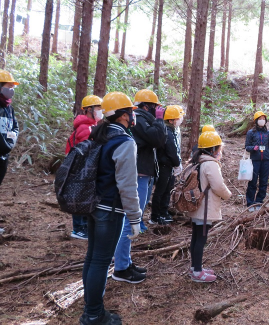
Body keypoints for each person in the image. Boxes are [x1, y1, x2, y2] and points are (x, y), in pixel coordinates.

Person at [80, 91, 142, 325]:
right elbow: (127, 185)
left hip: (95, 205)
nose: (132, 117)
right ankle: (94, 314)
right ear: (124, 116)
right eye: (131, 112)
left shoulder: (100, 135)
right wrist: (135, 219)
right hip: (111, 209)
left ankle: (90, 309)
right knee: (100, 261)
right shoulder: (124, 142)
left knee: (92, 257)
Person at [112, 89, 166, 284]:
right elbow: (159, 139)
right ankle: (121, 267)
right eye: (156, 107)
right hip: (139, 176)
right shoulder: (142, 119)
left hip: (143, 174)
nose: (158, 110)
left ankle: (124, 262)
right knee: (130, 220)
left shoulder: (142, 119)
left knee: (130, 219)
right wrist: (159, 120)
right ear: (147, 106)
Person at [187, 131, 232, 282]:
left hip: (196, 206)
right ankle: (198, 272)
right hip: (204, 208)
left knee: (196, 237)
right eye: (219, 149)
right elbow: (218, 186)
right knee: (201, 239)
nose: (220, 152)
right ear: (213, 149)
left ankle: (195, 268)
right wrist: (228, 195)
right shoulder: (210, 164)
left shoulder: (198, 160)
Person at [65, 95, 103, 240]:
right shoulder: (86, 128)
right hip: (81, 167)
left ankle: (84, 226)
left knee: (84, 195)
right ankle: (79, 228)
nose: (100, 111)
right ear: (89, 110)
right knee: (80, 195)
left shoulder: (93, 125)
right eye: (98, 108)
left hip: (83, 167)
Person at [0, 70, 18, 238]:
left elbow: (15, 127)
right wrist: (3, 145)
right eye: (9, 86)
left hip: (3, 155)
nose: (11, 89)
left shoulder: (8, 107)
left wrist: (11, 142)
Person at [150, 105, 181, 225]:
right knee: (161, 191)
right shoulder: (167, 131)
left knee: (166, 190)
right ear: (170, 120)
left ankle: (163, 212)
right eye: (176, 118)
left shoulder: (170, 130)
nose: (179, 120)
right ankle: (156, 215)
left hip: (168, 166)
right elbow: (171, 151)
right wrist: (177, 163)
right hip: (164, 166)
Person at [244, 111, 269, 212]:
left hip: (265, 161)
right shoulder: (250, 133)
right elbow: (247, 147)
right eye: (260, 119)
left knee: (263, 182)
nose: (262, 121)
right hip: (255, 161)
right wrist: (254, 148)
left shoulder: (268, 133)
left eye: (263, 119)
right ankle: (250, 203)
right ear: (256, 121)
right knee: (252, 182)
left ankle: (259, 202)